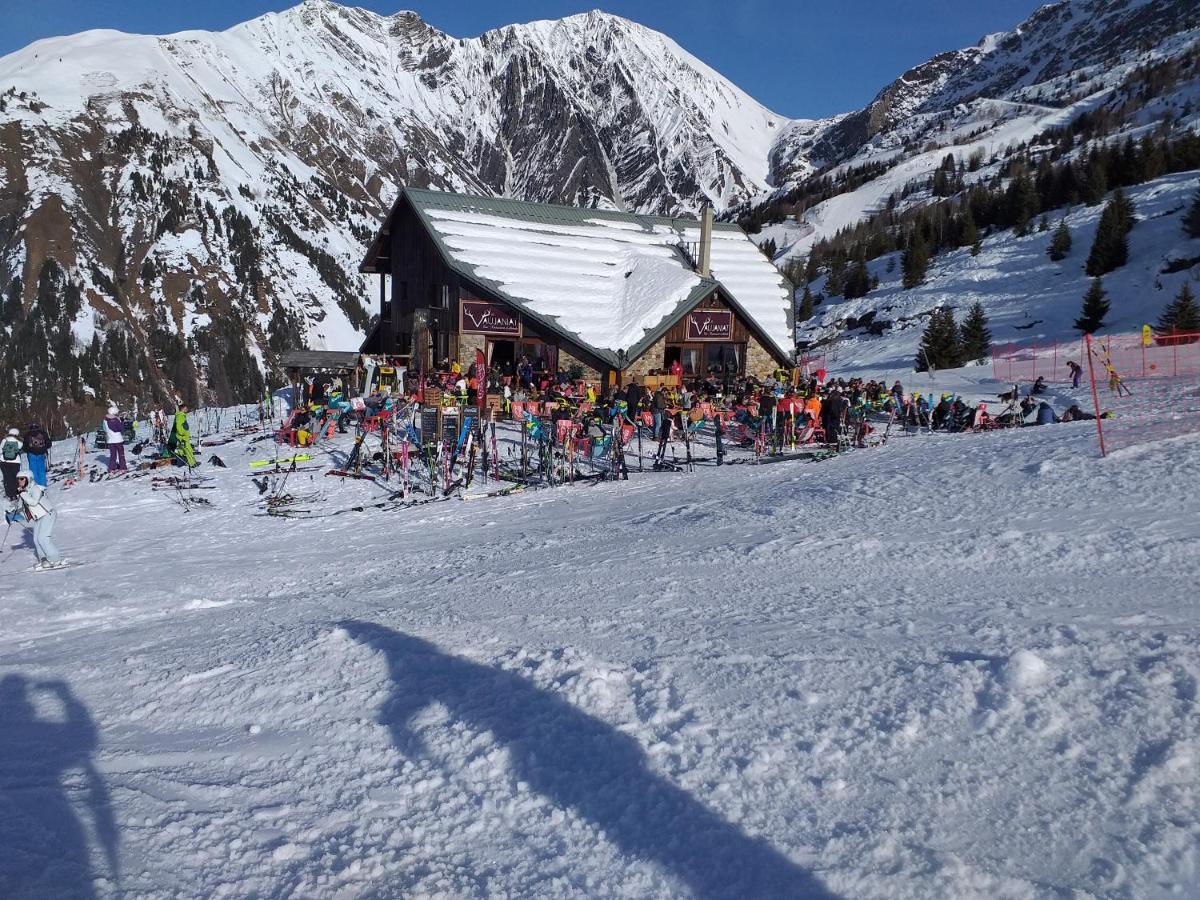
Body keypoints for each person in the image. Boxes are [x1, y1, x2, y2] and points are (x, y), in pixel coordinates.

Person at [6, 469, 64, 569]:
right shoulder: (24, 492)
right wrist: (12, 513)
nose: (19, 481)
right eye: (18, 479)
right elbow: (21, 508)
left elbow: (33, 502)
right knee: (36, 540)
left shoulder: (35, 488)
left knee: (43, 538)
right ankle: (44, 559)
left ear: (29, 479)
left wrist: (22, 493)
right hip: (38, 518)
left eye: (22, 479)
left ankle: (55, 559)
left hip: (48, 514)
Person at [170, 403, 196, 467]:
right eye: (186, 408)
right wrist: (183, 434)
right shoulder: (180, 416)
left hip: (181, 437)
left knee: (181, 450)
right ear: (182, 408)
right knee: (188, 450)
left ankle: (181, 462)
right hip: (183, 438)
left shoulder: (181, 415)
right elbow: (179, 427)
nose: (187, 409)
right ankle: (192, 464)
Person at [103, 404, 127, 473]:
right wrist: (122, 421)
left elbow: (104, 429)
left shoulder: (105, 420)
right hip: (118, 440)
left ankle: (111, 468)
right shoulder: (116, 420)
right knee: (121, 454)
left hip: (110, 440)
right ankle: (123, 467)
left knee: (113, 455)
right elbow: (120, 429)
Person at [1, 427, 22, 500]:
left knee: (7, 478)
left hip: (4, 462)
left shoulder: (4, 440)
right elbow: (19, 449)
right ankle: (16, 492)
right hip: (16, 462)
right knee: (15, 477)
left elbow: (0, 450)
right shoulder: (19, 441)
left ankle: (9, 494)